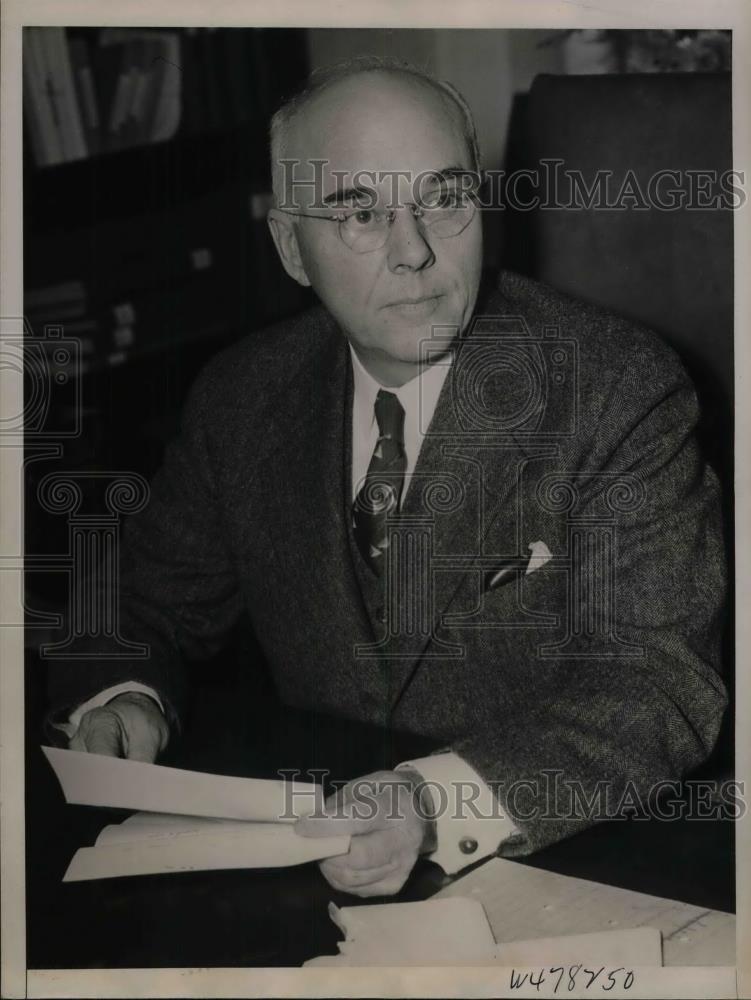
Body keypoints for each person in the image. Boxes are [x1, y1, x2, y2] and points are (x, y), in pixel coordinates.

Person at [47, 57, 728, 898]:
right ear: (292, 248)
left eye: (443, 199)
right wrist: (123, 695)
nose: (413, 253)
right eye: (359, 213)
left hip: (574, 864)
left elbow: (656, 684)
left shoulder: (613, 387)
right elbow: (141, 601)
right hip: (318, 863)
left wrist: (427, 801)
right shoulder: (244, 396)